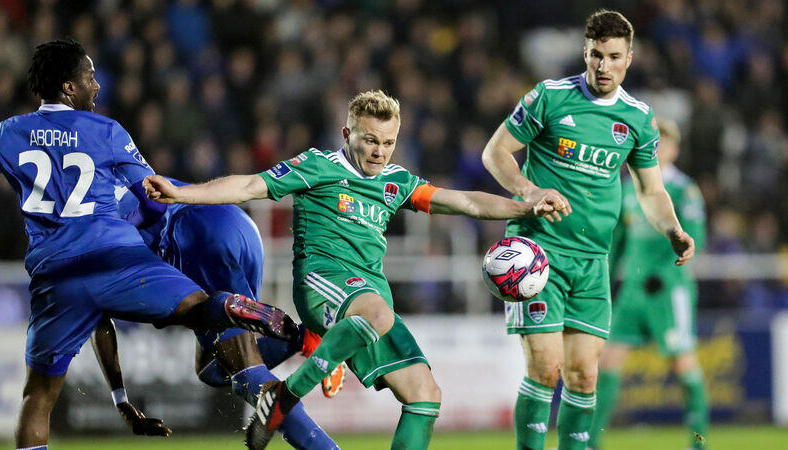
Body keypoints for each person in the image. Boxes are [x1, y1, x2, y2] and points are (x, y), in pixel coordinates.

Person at [143, 89, 565, 450]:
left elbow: (467, 202)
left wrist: (525, 204)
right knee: (377, 313)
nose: (380, 151)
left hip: (367, 300)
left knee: (424, 395)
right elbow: (250, 185)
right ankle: (285, 397)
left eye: (388, 142)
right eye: (370, 140)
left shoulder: (395, 181)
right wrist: (183, 193)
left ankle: (291, 389)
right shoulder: (318, 166)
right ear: (347, 134)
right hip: (322, 280)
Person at [0, 39, 295, 450]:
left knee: (38, 398)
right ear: (68, 87)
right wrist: (149, 230)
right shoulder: (108, 132)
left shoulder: (7, 133)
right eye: (89, 77)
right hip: (118, 256)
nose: (97, 86)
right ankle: (237, 306)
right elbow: (153, 197)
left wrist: (121, 399)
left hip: (56, 275)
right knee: (200, 307)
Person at [480, 10, 695, 450]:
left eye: (613, 56)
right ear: (584, 52)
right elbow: (496, 151)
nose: (603, 66)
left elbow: (651, 191)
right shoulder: (549, 98)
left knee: (585, 374)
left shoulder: (637, 118)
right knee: (545, 366)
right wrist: (528, 188)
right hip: (537, 254)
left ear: (629, 59)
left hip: (593, 261)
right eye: (596, 55)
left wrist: (672, 228)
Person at [91, 184, 344, 449]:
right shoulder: (111, 166)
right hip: (236, 222)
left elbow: (96, 316)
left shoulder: (80, 237)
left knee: (247, 374)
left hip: (193, 237)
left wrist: (120, 400)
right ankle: (303, 336)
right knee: (212, 371)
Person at [588, 119, 707, 450]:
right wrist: (601, 281)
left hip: (670, 291)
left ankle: (699, 444)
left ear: (675, 150)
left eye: (664, 143)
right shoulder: (627, 189)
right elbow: (617, 243)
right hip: (632, 291)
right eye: (653, 143)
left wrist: (666, 274)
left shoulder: (684, 190)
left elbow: (697, 240)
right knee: (607, 362)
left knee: (683, 363)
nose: (657, 149)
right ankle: (590, 443)